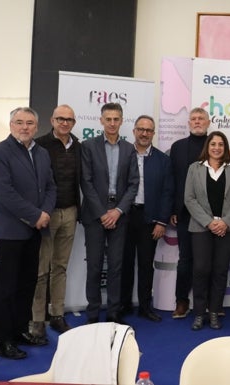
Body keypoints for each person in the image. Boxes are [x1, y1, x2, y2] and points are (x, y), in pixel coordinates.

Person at [0, 107, 56, 359]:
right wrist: (35, 215)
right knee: (6, 288)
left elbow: (50, 186)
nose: (24, 127)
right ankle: (2, 341)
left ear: (36, 127)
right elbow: (5, 193)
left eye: (29, 123)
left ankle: (19, 331)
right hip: (10, 231)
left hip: (35, 230)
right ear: (11, 125)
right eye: (19, 122)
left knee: (27, 285)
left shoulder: (42, 153)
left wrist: (45, 212)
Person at [80, 102, 139, 324]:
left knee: (116, 266)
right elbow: (85, 182)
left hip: (120, 215)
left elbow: (134, 183)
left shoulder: (128, 149)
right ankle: (93, 313)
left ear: (122, 121)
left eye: (116, 119)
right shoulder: (88, 146)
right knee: (94, 266)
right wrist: (102, 213)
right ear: (101, 121)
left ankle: (114, 312)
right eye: (108, 119)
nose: (112, 123)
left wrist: (117, 211)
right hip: (95, 216)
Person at [29, 105, 81, 341]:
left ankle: (57, 314)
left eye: (69, 119)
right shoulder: (39, 145)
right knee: (41, 271)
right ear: (52, 120)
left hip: (70, 212)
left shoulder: (78, 146)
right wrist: (40, 212)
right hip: (46, 215)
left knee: (60, 268)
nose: (65, 123)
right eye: (60, 118)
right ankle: (38, 320)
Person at [184, 131, 230, 330]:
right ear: (207, 147)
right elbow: (189, 199)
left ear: (225, 148)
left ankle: (215, 312)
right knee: (201, 269)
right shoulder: (195, 168)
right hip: (201, 227)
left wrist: (225, 222)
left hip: (227, 228)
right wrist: (209, 223)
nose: (217, 148)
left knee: (219, 271)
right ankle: (199, 313)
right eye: (213, 144)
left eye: (221, 144)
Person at [120, 115, 174, 322]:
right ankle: (123, 305)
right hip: (124, 216)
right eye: (140, 129)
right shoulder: (123, 154)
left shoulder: (163, 160)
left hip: (149, 218)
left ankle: (144, 306)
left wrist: (162, 221)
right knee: (123, 263)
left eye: (148, 130)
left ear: (153, 133)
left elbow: (168, 192)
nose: (144, 133)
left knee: (145, 264)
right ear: (134, 131)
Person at [169, 107, 210, 319]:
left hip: (212, 215)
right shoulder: (177, 147)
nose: (197, 121)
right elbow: (173, 181)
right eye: (193, 119)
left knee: (208, 260)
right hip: (184, 213)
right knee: (185, 260)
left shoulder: (217, 144)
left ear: (208, 122)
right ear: (188, 123)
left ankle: (211, 302)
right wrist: (174, 209)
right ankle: (182, 301)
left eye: (200, 118)